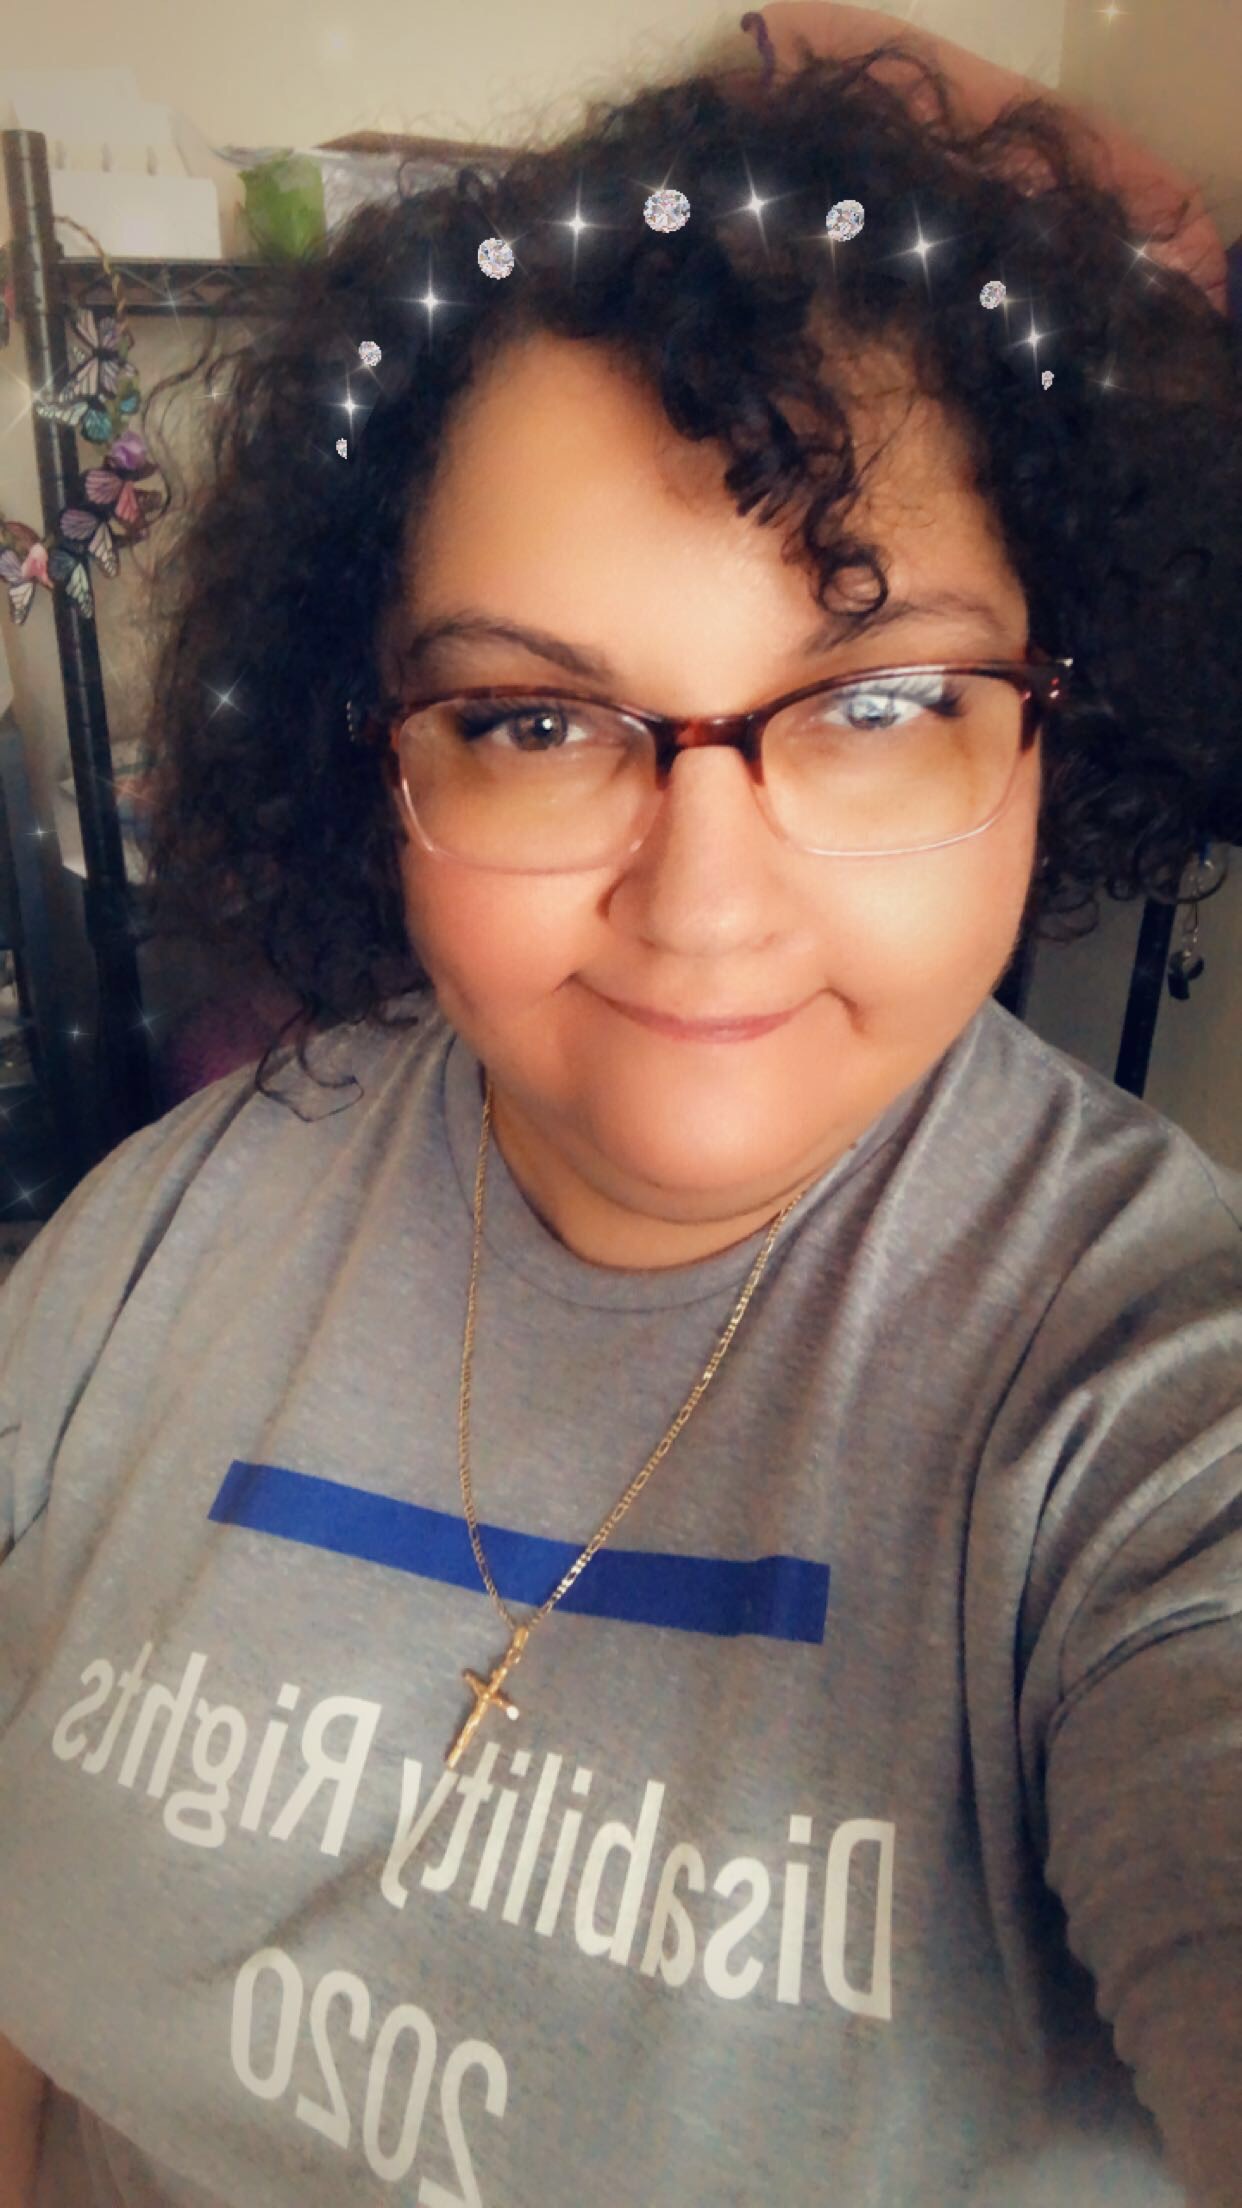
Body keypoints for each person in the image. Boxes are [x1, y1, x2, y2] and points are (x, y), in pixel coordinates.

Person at [1, 30, 1240, 2208]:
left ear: (1054, 729)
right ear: (381, 756)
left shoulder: (1143, 1415)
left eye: (873, 703)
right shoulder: (158, 1233)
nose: (706, 897)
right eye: (535, 719)